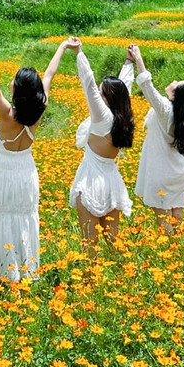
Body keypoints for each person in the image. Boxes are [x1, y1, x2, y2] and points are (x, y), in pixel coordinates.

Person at [0, 37, 74, 281]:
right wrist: (62, 47)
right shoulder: (40, 108)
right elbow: (49, 75)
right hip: (26, 172)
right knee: (25, 220)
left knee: (2, 219)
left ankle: (2, 272)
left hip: (4, 173)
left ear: (18, 89)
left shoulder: (6, 113)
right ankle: (25, 270)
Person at [127, 41, 184, 235]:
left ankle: (169, 249)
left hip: (160, 173)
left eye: (177, 84)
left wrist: (138, 58)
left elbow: (147, 86)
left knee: (162, 216)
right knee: (176, 210)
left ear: (175, 96)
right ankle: (179, 245)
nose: (175, 82)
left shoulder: (166, 111)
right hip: (179, 172)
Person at [69, 37, 135, 245]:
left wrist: (79, 52)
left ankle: (90, 278)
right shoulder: (121, 116)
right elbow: (125, 87)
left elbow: (88, 83)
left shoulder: (103, 118)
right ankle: (122, 276)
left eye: (101, 93)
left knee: (90, 244)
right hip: (112, 182)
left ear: (106, 98)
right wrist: (129, 62)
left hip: (90, 182)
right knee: (114, 243)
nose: (97, 94)